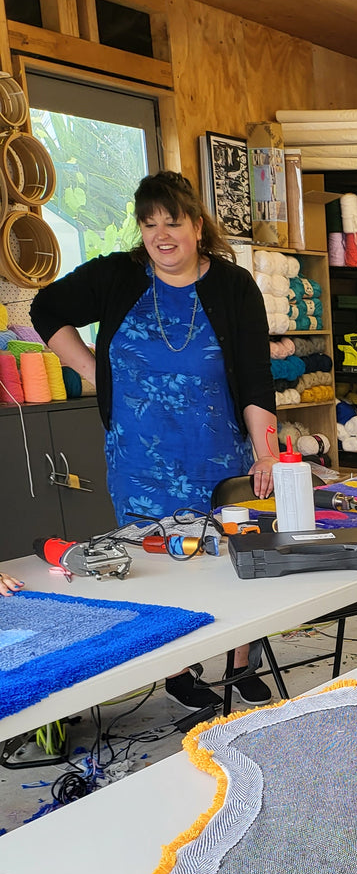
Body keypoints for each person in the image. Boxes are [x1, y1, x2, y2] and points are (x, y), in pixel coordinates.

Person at [31, 170, 278, 708]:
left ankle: (241, 661)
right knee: (157, 562)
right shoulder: (118, 276)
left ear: (196, 224)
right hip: (139, 460)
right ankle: (180, 669)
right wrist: (96, 373)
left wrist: (266, 453)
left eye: (173, 221)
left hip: (219, 457)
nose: (162, 234)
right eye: (149, 225)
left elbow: (257, 378)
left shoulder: (233, 287)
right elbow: (45, 309)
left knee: (234, 556)